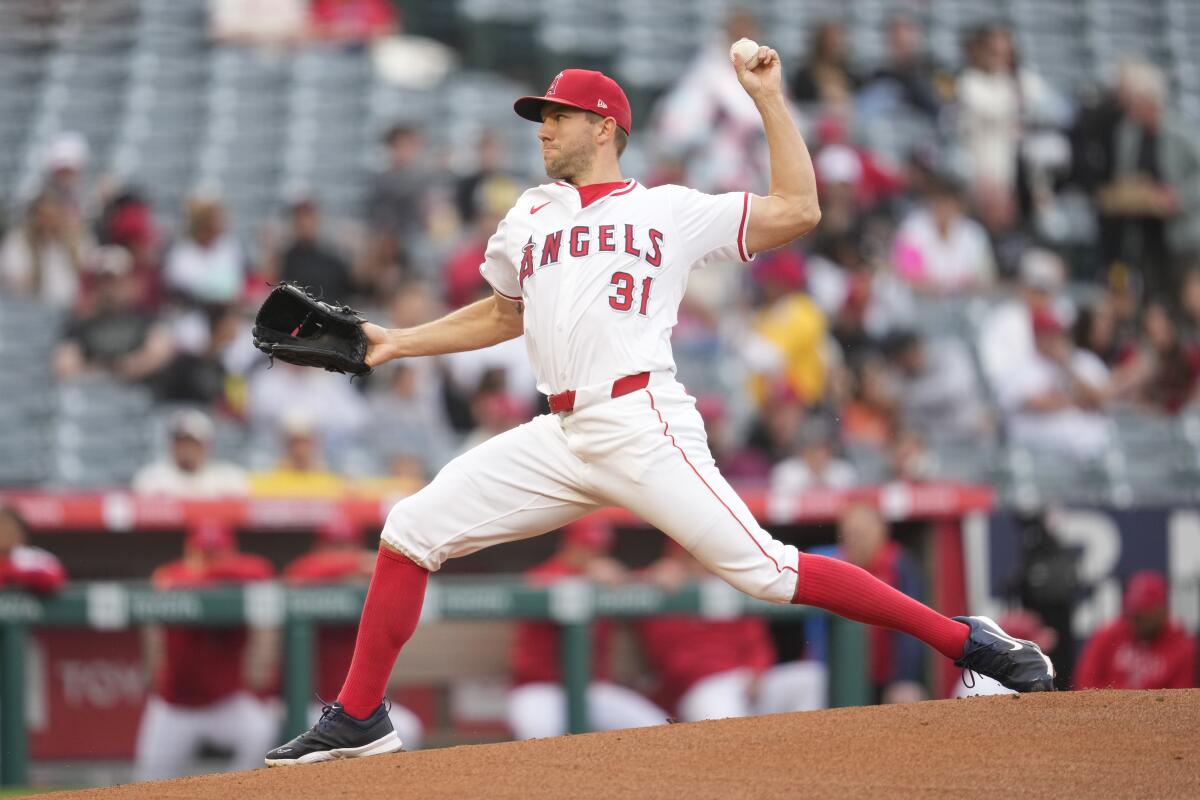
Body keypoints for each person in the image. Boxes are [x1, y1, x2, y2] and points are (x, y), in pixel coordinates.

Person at [267, 52, 1053, 766]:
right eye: (541, 117)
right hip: (562, 430)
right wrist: (393, 343)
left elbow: (799, 209)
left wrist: (770, 99)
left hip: (642, 422)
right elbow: (505, 315)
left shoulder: (668, 210)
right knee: (410, 531)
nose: (543, 128)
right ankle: (362, 714)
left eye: (557, 115)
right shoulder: (530, 216)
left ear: (604, 126)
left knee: (771, 573)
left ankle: (969, 641)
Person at [134, 520, 278, 780]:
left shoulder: (246, 579)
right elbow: (170, 579)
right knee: (148, 779)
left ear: (231, 553)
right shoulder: (171, 576)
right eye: (202, 554)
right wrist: (213, 576)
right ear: (188, 552)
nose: (209, 561)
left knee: (261, 730)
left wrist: (216, 574)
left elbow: (261, 571)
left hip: (225, 703)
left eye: (216, 554)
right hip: (176, 706)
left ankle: (231, 792)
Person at [506, 518, 666, 740]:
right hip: (540, 689)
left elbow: (641, 586)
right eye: (585, 547)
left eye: (598, 549)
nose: (591, 554)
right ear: (567, 545)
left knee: (659, 728)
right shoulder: (545, 575)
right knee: (538, 736)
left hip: (593, 689)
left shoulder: (605, 579)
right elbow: (538, 588)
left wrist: (648, 577)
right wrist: (583, 580)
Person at [636, 543, 826, 722]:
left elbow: (758, 642)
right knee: (724, 714)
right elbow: (668, 664)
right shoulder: (663, 587)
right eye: (690, 558)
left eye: (703, 557)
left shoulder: (730, 580)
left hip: (749, 682)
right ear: (674, 560)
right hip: (706, 689)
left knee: (811, 677)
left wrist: (757, 670)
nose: (699, 565)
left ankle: (802, 753)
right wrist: (650, 580)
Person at [284, 514, 424, 748]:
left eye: (348, 547)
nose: (342, 553)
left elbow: (401, 574)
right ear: (320, 548)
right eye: (335, 547)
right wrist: (355, 563)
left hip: (355, 706)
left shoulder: (368, 580)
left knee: (408, 728)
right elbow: (299, 574)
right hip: (305, 703)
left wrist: (366, 567)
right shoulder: (308, 574)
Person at [806, 503, 928, 704]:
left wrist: (905, 678)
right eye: (849, 535)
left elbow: (914, 627)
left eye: (860, 534)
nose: (854, 542)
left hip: (889, 676)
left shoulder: (898, 564)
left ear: (880, 532)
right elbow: (816, 634)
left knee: (907, 698)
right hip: (845, 676)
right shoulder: (837, 565)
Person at [999, 306, 1112, 459]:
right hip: (1039, 457)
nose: (1054, 339)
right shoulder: (1021, 367)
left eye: (1058, 333)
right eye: (1048, 333)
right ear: (1035, 336)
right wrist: (1079, 400)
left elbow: (1100, 400)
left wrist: (1067, 366)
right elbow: (1038, 404)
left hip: (1090, 456)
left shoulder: (1085, 361)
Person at [53, 246, 173, 382]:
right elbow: (64, 366)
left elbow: (159, 353)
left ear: (129, 281)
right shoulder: (80, 324)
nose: (110, 288)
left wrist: (132, 366)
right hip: (94, 393)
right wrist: (112, 369)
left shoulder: (145, 318)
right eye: (104, 281)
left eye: (115, 281)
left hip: (138, 391)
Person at [1075, 571, 1196, 690]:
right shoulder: (1107, 635)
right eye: (1133, 612)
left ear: (1161, 611)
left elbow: (1181, 699)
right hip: (1105, 707)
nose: (1136, 620)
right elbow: (1084, 684)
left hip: (1155, 709)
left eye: (1143, 613)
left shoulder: (1181, 646)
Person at [132, 409, 249, 498]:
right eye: (181, 442)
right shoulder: (152, 478)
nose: (186, 449)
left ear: (206, 446)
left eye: (193, 443)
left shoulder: (228, 478)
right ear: (171, 446)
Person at [0, 192, 88, 309]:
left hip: (70, 309)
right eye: (43, 216)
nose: (48, 222)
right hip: (32, 309)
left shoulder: (73, 240)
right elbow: (12, 277)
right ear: (33, 217)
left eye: (53, 216)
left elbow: (86, 267)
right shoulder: (18, 240)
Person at [276, 197, 356, 305]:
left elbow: (351, 290)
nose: (305, 223)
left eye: (308, 217)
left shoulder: (333, 260)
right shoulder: (284, 260)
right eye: (300, 218)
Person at [0, 505, 67, 595]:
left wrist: (14, 573)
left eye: (10, 529)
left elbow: (53, 579)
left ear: (22, 533)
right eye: (2, 528)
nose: (5, 534)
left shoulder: (33, 557)